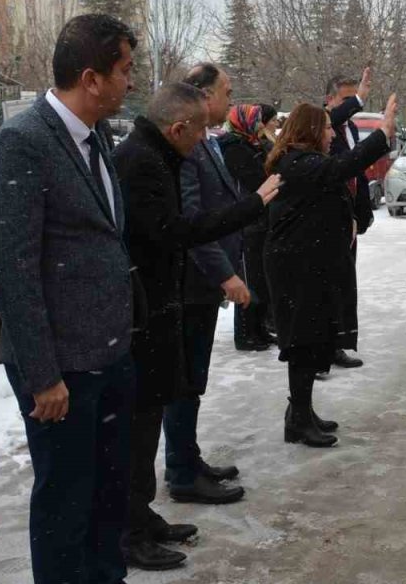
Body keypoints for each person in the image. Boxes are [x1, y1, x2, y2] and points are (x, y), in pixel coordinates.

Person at [0, 13, 141, 584]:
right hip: (61, 372)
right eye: (125, 70)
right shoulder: (21, 145)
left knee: (107, 496)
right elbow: (13, 269)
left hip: (109, 357)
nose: (131, 81)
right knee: (65, 504)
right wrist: (44, 375)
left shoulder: (96, 137)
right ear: (92, 78)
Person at [114, 82, 279, 570]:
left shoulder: (156, 153)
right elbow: (176, 230)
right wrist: (254, 205)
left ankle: (140, 515)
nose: (205, 137)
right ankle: (130, 529)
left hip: (160, 304)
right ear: (178, 127)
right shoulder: (144, 160)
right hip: (152, 307)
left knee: (155, 411)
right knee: (143, 423)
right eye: (201, 129)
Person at [265, 94, 398, 448]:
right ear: (310, 131)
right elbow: (342, 168)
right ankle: (298, 418)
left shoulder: (306, 161)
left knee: (313, 338)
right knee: (302, 341)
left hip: (312, 264)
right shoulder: (298, 163)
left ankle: (303, 412)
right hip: (297, 268)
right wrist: (382, 134)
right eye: (326, 128)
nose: (331, 135)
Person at [166, 64, 251, 502]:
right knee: (182, 381)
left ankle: (188, 457)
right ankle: (181, 472)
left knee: (193, 379)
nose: (230, 102)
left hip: (201, 286)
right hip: (190, 285)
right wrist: (225, 274)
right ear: (202, 97)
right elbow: (192, 223)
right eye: (226, 93)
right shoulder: (187, 149)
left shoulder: (209, 144)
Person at [323, 71, 375, 371]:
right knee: (328, 289)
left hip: (348, 220)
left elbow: (358, 171)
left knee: (345, 285)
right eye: (345, 100)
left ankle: (339, 344)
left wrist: (361, 212)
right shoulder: (319, 126)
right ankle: (323, 351)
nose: (351, 108)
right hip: (327, 223)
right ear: (330, 100)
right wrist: (360, 97)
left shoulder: (350, 128)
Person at [220, 103, 275, 351]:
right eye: (258, 121)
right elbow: (256, 178)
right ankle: (246, 333)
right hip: (247, 220)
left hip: (260, 218)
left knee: (261, 278)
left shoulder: (253, 144)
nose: (262, 126)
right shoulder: (234, 147)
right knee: (250, 278)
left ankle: (260, 328)